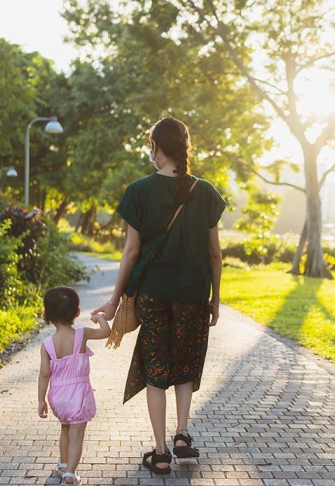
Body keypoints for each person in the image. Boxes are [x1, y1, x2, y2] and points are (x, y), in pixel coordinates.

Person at [91, 117, 226, 475]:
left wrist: (115, 299)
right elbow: (215, 254)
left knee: (156, 371)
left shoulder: (139, 190)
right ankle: (183, 434)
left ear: (156, 147)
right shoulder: (207, 192)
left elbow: (131, 252)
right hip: (194, 295)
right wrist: (216, 298)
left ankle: (162, 451)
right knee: (185, 364)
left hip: (152, 295)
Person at [38, 286, 111, 485]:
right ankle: (70, 473)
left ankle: (63, 465)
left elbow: (45, 374)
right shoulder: (82, 334)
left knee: (64, 429)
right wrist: (99, 317)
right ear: (77, 313)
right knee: (76, 436)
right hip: (79, 396)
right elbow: (106, 332)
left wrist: (41, 401)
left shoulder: (47, 345)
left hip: (58, 397)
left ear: (47, 315)